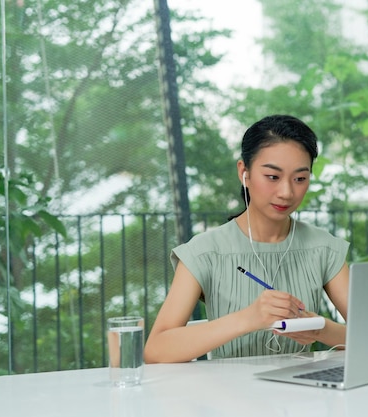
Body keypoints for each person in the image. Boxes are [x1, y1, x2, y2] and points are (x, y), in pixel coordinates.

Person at [144, 115, 350, 363]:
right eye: (272, 177)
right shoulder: (205, 251)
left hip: (302, 397)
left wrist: (320, 329)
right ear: (244, 172)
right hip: (227, 398)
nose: (286, 192)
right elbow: (155, 350)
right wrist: (249, 318)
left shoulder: (323, 248)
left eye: (300, 179)